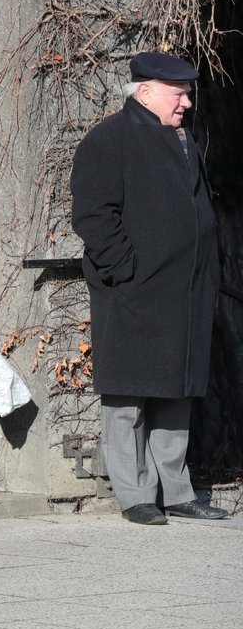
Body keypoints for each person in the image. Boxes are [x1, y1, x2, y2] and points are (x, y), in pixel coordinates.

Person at [70, 52, 228, 525]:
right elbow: (94, 217)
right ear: (144, 92)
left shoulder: (183, 138)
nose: (186, 103)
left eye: (187, 94)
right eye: (177, 93)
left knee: (175, 390)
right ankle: (135, 493)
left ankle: (177, 491)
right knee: (128, 396)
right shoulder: (109, 140)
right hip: (135, 291)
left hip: (184, 290)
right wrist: (126, 270)